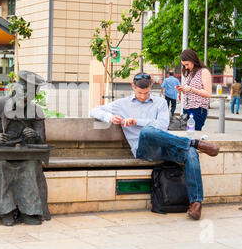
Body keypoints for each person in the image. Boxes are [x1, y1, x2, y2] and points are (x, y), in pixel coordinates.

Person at [90, 72, 220, 220]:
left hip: (165, 146)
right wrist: (110, 117)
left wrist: (136, 120)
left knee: (190, 153)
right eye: (140, 93)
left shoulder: (160, 102)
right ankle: (194, 142)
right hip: (144, 150)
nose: (143, 96)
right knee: (146, 132)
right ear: (133, 87)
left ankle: (196, 203)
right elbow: (94, 110)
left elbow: (162, 126)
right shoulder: (122, 104)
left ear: (151, 86)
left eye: (146, 93)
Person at [0, 70, 51, 226]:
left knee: (30, 166)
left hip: (21, 153)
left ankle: (29, 211)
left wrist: (34, 135)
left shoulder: (34, 111)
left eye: (31, 97)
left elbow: (42, 141)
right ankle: (4, 211)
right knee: (1, 167)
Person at [176, 49, 212, 131]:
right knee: (187, 134)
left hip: (198, 109)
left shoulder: (204, 72)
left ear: (193, 60)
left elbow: (208, 93)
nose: (186, 67)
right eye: (184, 65)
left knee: (193, 134)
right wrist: (182, 90)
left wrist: (191, 89)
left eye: (187, 64)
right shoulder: (190, 73)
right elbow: (189, 91)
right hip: (187, 108)